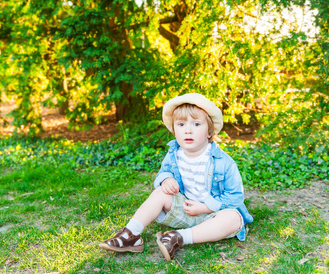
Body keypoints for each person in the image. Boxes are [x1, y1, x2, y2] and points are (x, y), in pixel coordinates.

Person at [99, 93, 253, 261]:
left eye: (196, 124)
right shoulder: (174, 154)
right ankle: (131, 234)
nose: (188, 130)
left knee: (233, 219)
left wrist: (205, 208)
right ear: (174, 131)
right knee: (160, 193)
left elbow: (235, 197)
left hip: (213, 215)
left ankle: (178, 237)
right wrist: (166, 179)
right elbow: (164, 172)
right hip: (185, 210)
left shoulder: (223, 162)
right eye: (181, 124)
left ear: (209, 132)